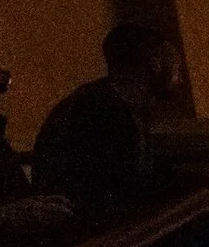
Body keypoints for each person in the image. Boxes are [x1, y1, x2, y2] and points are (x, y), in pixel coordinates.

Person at [31, 21, 191, 209]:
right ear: (154, 63)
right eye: (177, 68)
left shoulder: (113, 104)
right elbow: (123, 192)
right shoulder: (97, 111)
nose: (181, 79)